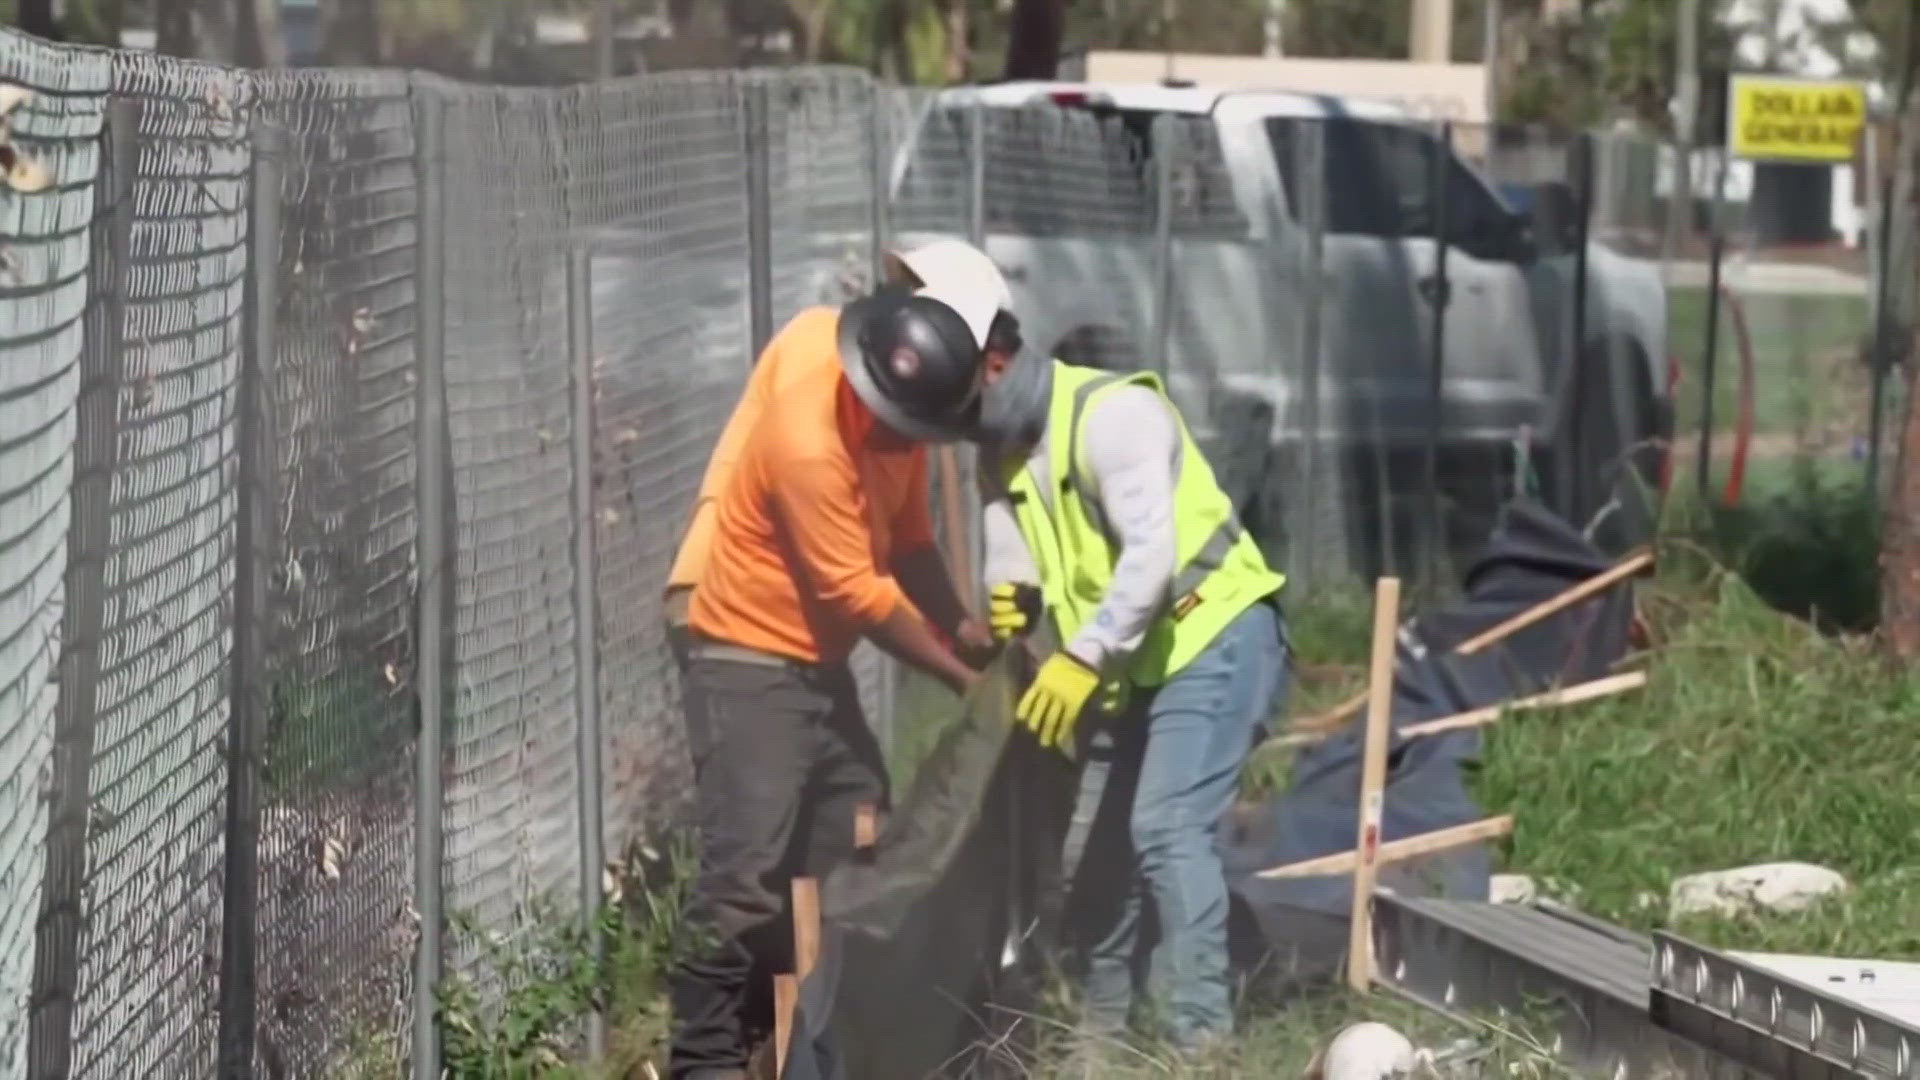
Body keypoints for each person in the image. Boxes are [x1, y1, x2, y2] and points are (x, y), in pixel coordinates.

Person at [662, 247, 1021, 1080]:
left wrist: (964, 627)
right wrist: (964, 680)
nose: (907, 443)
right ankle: (705, 1059)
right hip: (745, 657)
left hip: (814, 664)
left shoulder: (909, 414)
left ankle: (799, 1035)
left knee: (852, 831)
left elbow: (911, 544)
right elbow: (859, 592)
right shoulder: (806, 438)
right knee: (746, 868)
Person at [967, 344, 1290, 1054]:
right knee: (1098, 851)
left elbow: (1150, 558)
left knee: (1168, 827)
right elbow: (1009, 535)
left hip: (1210, 629)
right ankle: (1102, 1042)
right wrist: (1011, 590)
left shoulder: (1113, 417)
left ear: (993, 363)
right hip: (1130, 660)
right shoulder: (998, 446)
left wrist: (1080, 656)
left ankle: (1199, 1043)